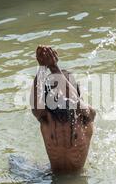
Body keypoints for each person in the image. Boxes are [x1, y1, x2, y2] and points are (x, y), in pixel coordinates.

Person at [30, 45, 96, 174]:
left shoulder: (85, 116)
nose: (60, 95)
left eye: (62, 88)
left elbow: (75, 102)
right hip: (50, 175)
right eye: (55, 90)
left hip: (79, 177)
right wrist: (42, 68)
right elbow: (35, 104)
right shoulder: (46, 118)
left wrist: (54, 68)